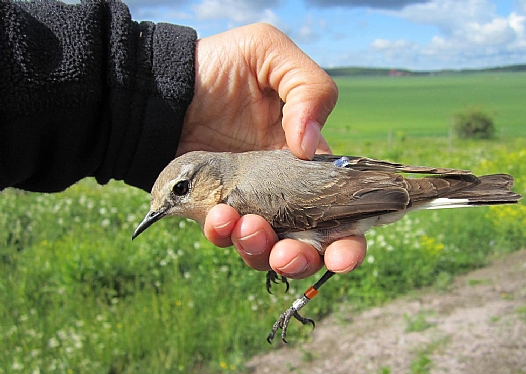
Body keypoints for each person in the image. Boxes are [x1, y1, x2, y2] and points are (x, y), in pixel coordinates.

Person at [0, 0, 366, 280]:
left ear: (208, 174)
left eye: (180, 191)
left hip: (365, 193)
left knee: (319, 251)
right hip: (356, 182)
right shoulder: (241, 189)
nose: (169, 206)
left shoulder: (244, 192)